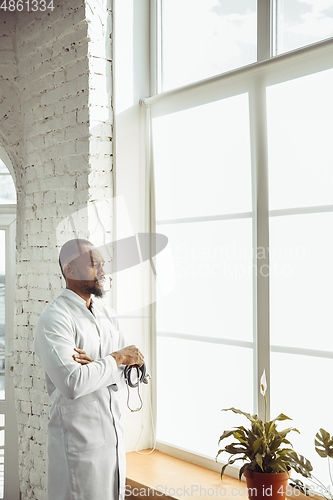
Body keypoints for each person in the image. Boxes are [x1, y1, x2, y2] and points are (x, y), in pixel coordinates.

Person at [34, 238, 144, 500]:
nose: (103, 272)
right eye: (95, 265)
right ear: (69, 270)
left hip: (113, 442)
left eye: (103, 265)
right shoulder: (55, 318)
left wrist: (98, 365)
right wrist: (115, 358)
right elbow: (73, 383)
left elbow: (133, 370)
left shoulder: (108, 314)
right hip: (78, 446)